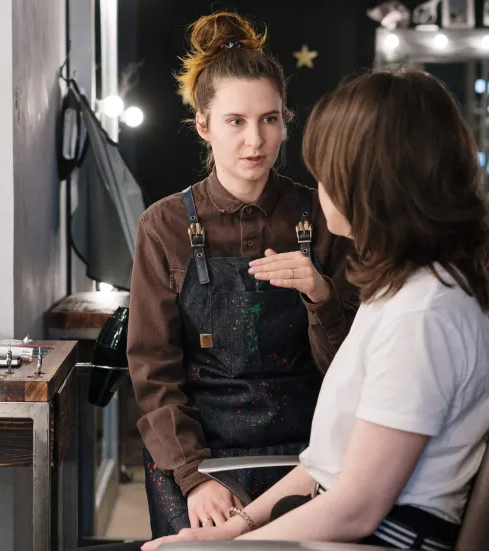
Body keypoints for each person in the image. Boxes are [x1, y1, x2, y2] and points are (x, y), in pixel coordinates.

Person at [141, 69, 489, 551]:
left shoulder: (422, 317)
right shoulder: (401, 294)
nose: (314, 186)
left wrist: (228, 547)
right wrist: (238, 528)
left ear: (369, 183)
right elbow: (325, 464)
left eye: (325, 170)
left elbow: (356, 507)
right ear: (204, 125)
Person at [127, 11, 359, 538]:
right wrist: (192, 475)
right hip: (197, 454)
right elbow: (153, 370)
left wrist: (321, 295)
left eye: (270, 119)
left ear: (286, 120)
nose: (256, 140)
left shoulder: (324, 217)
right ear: (203, 125)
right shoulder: (163, 226)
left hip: (309, 453)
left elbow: (351, 368)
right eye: (236, 121)